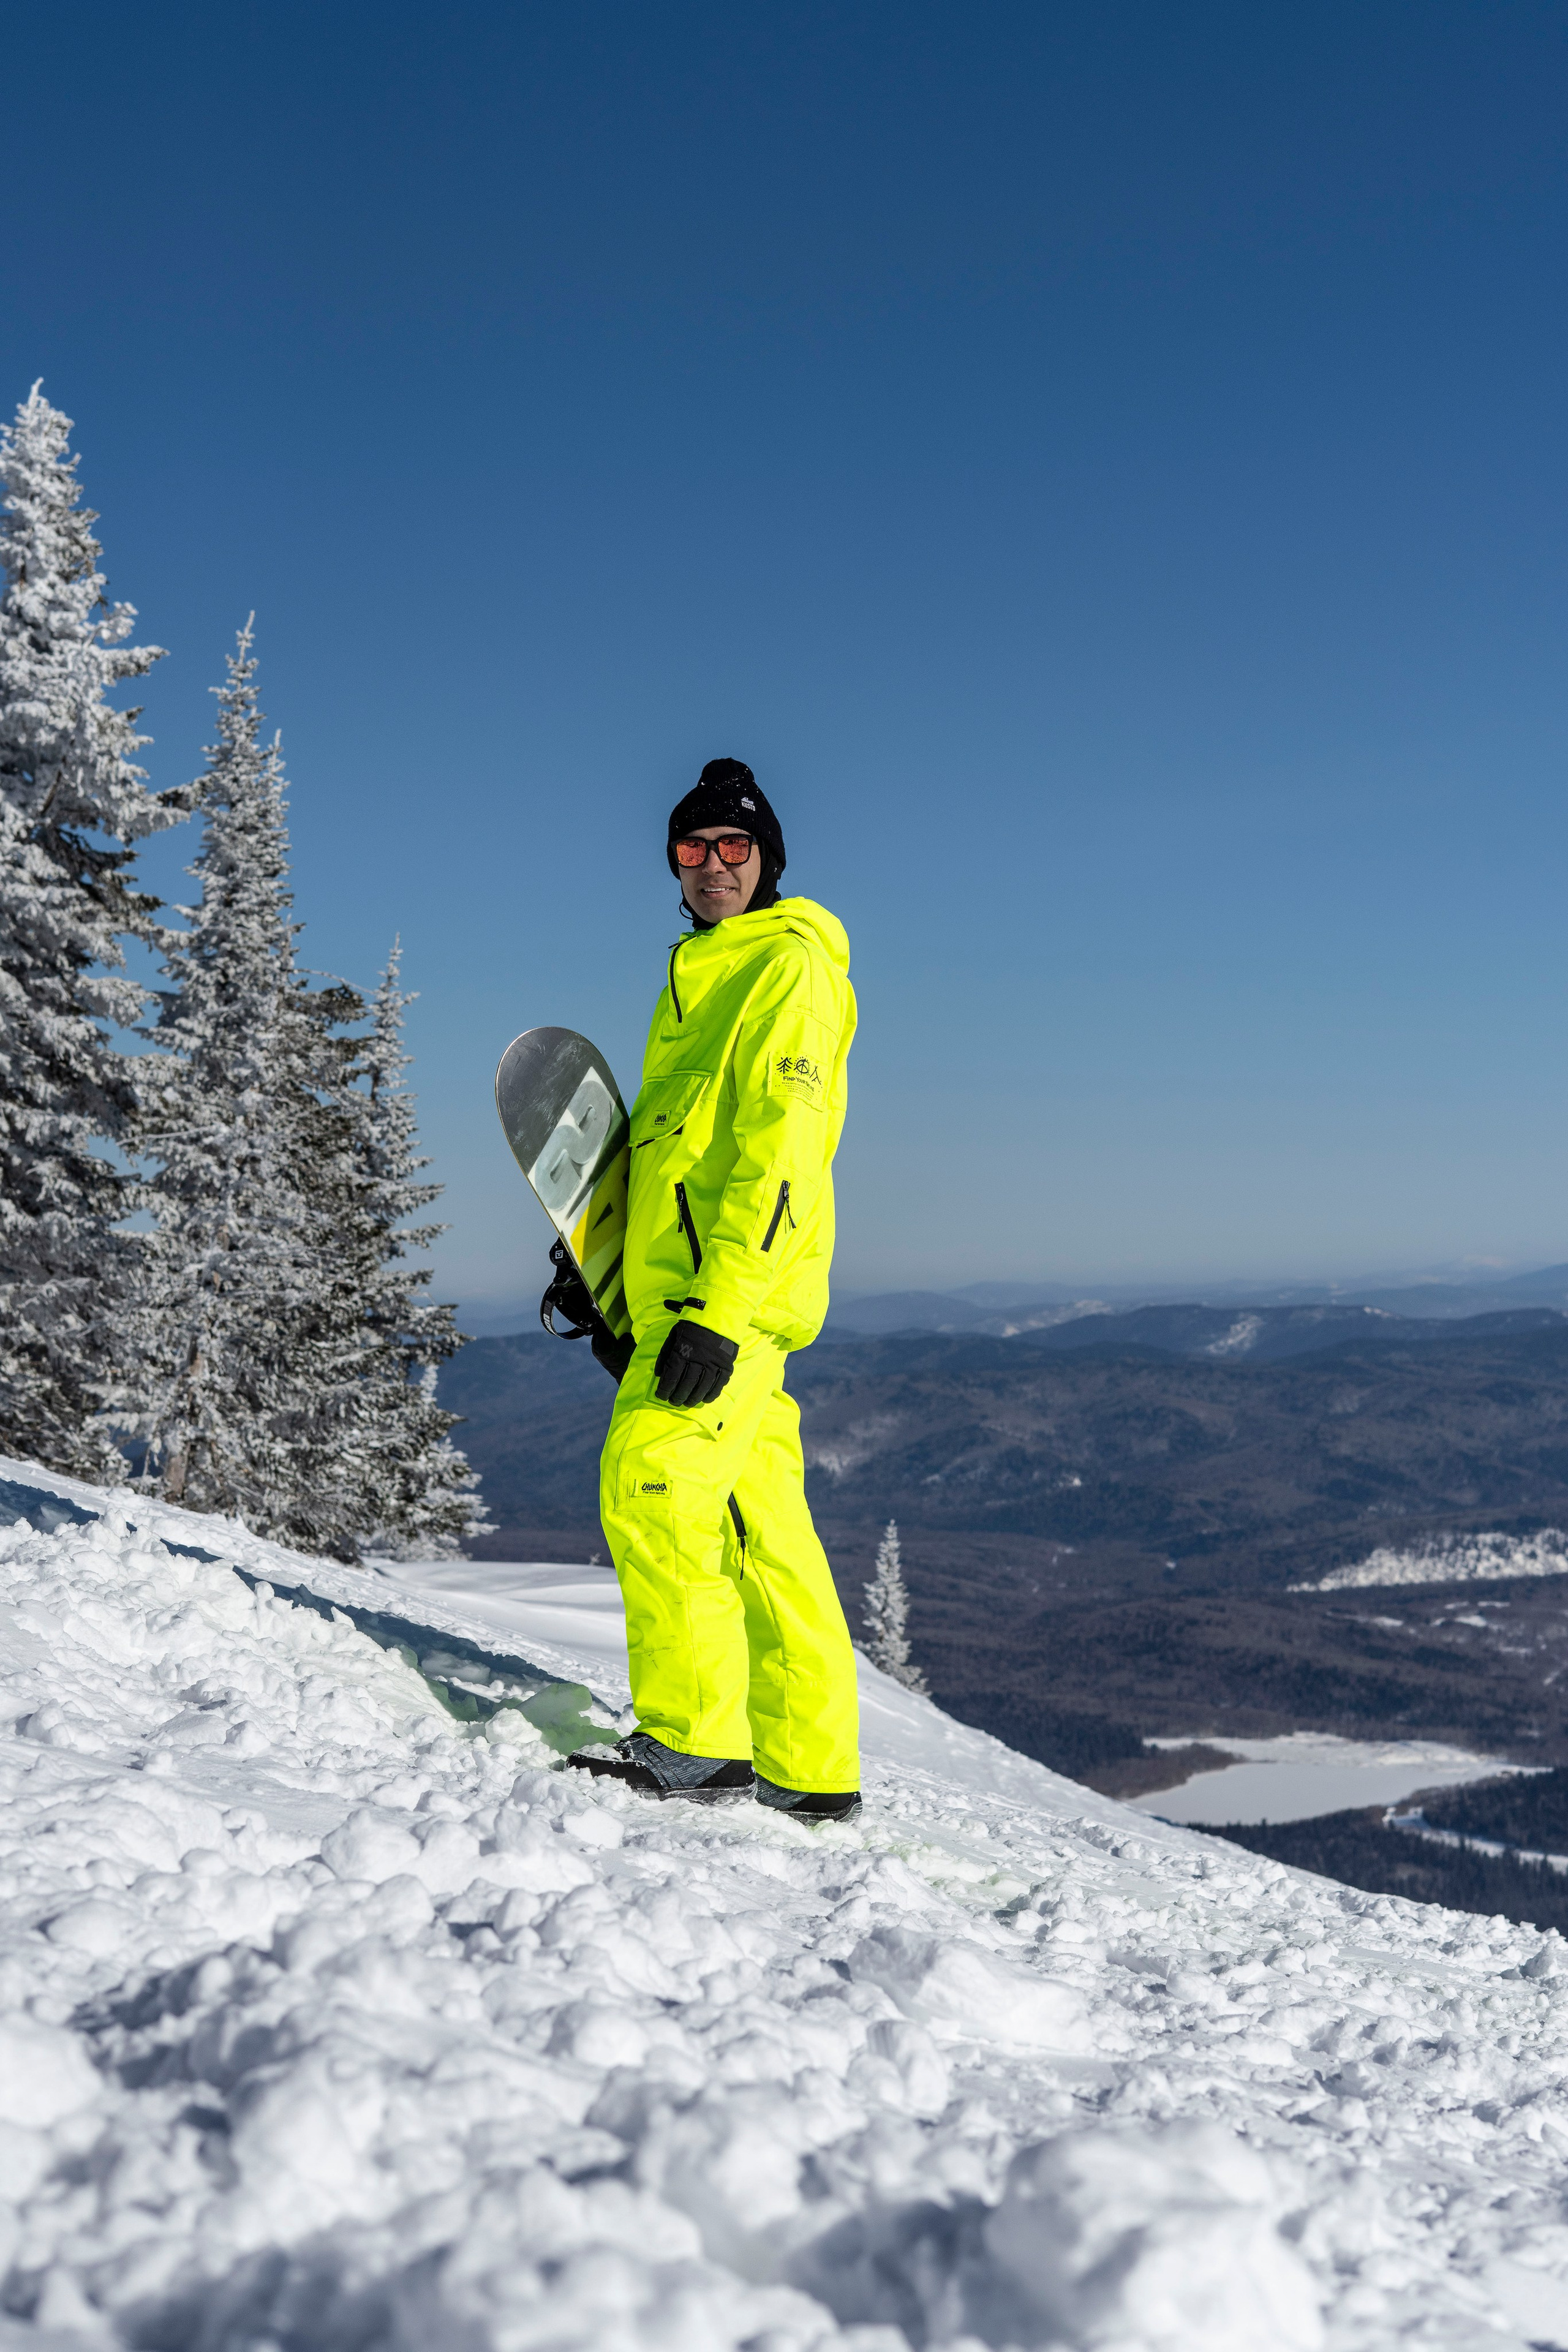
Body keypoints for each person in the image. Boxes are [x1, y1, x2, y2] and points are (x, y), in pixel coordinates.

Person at [567, 757, 862, 1819]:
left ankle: (694, 1743)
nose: (713, 864)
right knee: (759, 1525)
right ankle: (810, 1769)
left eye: (735, 846)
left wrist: (716, 1317)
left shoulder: (785, 971)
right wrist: (608, 1275)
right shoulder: (695, 980)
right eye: (692, 847)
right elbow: (680, 1159)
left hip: (723, 1307)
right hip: (690, 1302)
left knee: (650, 1480)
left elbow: (782, 1163)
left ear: (768, 859)